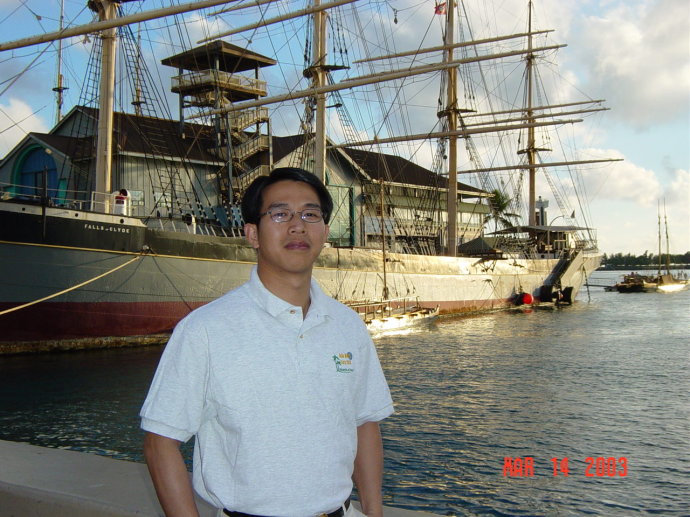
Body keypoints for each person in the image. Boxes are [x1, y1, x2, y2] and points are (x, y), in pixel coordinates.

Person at [140, 167, 394, 517]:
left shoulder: (348, 326)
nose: (297, 226)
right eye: (280, 214)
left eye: (310, 214)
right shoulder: (205, 329)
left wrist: (374, 512)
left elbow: (364, 423)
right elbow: (160, 443)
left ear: (324, 231)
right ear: (252, 234)